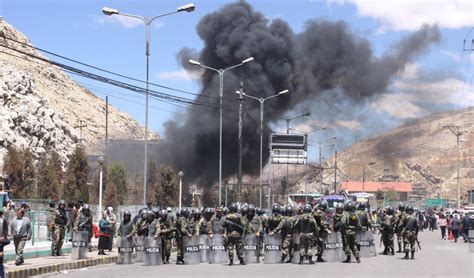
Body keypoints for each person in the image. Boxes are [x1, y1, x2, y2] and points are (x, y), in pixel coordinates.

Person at [0, 207, 10, 277]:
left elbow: (6, 230)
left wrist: (3, 236)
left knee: (0, 261)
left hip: (1, 242)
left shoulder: (3, 221)